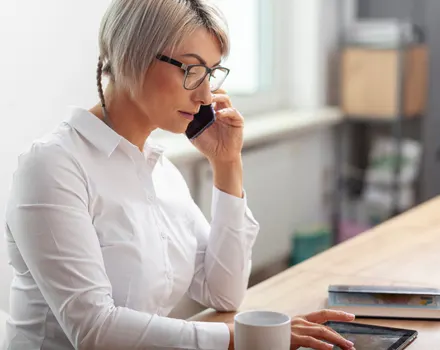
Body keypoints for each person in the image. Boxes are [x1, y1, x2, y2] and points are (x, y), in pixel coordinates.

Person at [3, 1, 356, 349]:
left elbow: (224, 292)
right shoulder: (53, 167)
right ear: (131, 55)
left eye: (211, 73)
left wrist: (227, 164)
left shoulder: (160, 172)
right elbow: (95, 331)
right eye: (190, 69)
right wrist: (243, 338)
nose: (205, 95)